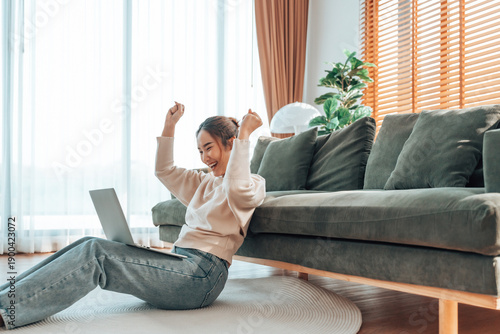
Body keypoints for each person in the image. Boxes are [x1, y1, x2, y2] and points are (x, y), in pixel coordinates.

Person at [0, 102, 266, 330]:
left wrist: (244, 137)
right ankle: (6, 297)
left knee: (97, 253)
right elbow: (164, 170)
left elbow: (235, 187)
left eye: (209, 148)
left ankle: (8, 310)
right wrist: (169, 125)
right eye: (200, 150)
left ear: (231, 143)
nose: (204, 157)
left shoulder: (252, 184)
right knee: (88, 243)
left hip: (203, 276)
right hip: (180, 262)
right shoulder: (203, 183)